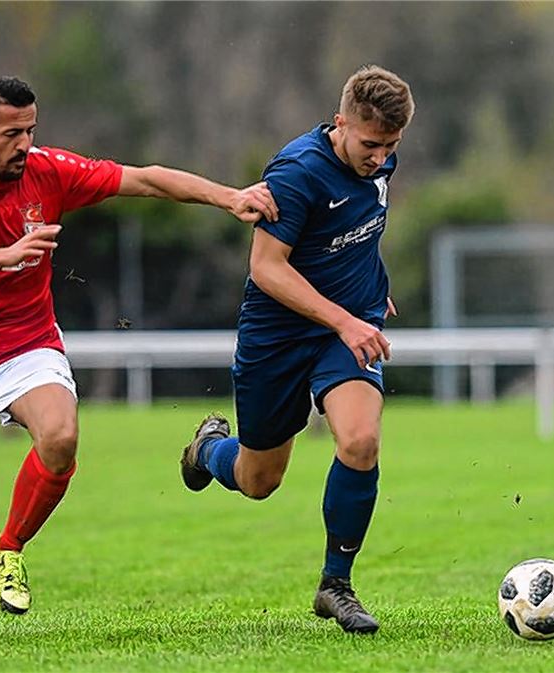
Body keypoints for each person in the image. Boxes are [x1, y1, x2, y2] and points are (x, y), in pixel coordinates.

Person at [0, 76, 279, 642]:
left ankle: (7, 549)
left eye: (31, 130)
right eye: (11, 133)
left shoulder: (46, 170)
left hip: (25, 343)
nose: (24, 144)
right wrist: (7, 253)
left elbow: (144, 179)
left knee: (60, 437)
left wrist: (230, 196)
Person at [177, 65, 414, 634]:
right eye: (370, 145)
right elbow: (265, 268)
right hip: (277, 337)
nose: (380, 158)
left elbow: (361, 228)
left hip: (344, 330)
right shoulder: (297, 172)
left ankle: (336, 585)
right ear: (340, 124)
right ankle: (209, 450)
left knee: (360, 440)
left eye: (391, 146)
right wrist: (343, 318)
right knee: (259, 481)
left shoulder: (380, 163)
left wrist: (372, 291)